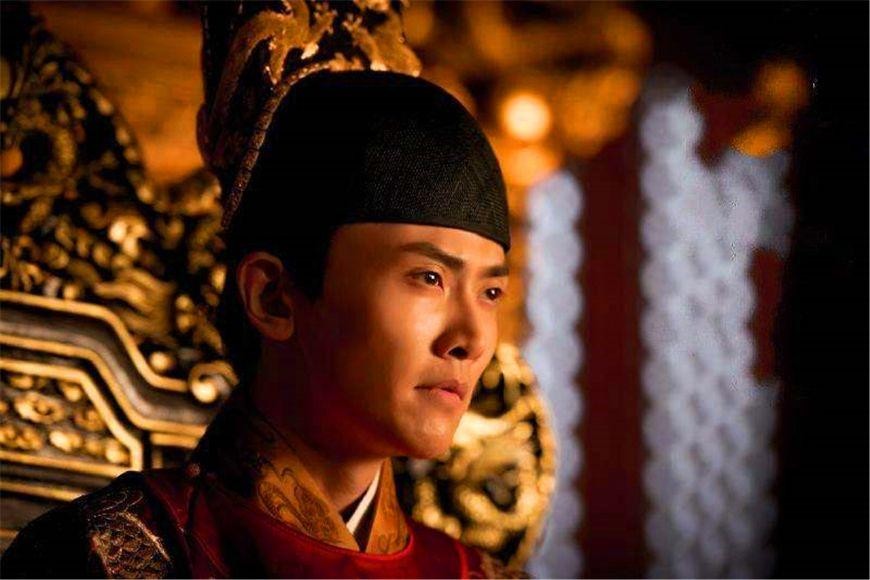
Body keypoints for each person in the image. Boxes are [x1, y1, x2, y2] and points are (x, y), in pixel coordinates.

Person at [1, 71, 524, 578]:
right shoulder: (102, 559)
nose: (473, 339)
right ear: (273, 298)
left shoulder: (479, 576)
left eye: (491, 293)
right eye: (430, 277)